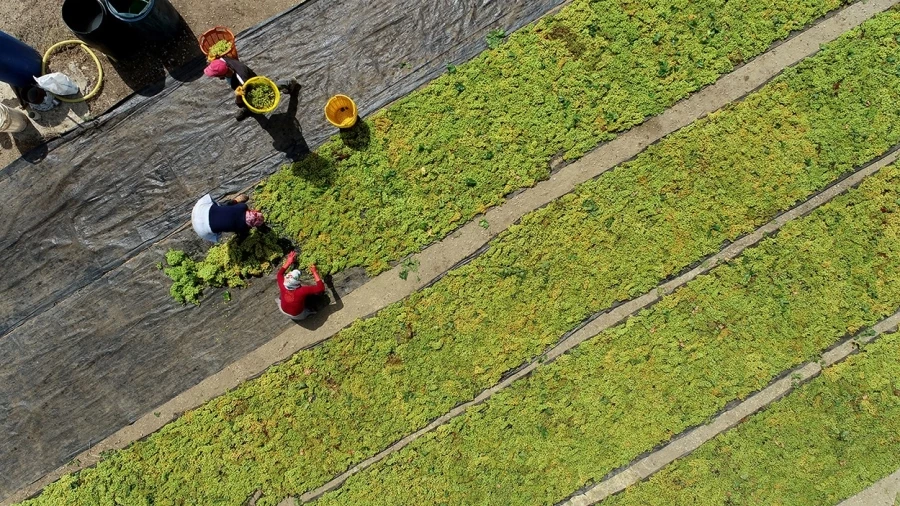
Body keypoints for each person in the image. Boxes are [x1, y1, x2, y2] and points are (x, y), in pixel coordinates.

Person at [204, 57, 299, 120]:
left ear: (223, 74)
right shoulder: (222, 60)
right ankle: (248, 109)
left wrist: (238, 97)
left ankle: (289, 82)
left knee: (266, 89)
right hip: (245, 75)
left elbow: (241, 100)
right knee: (264, 89)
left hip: (251, 84)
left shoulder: (241, 82)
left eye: (216, 76)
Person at [191, 193, 265, 243]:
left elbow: (232, 206)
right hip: (201, 230)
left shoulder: (243, 207)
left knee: (226, 207)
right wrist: (239, 241)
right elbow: (244, 234)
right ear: (251, 225)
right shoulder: (243, 228)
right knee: (218, 234)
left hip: (199, 209)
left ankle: (235, 200)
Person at [277, 250, 325, 320]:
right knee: (307, 311)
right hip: (297, 315)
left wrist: (288, 262)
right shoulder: (302, 291)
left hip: (283, 309)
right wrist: (314, 272)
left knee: (283, 297)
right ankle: (309, 313)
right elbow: (321, 288)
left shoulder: (282, 283)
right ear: (296, 282)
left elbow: (279, 274)